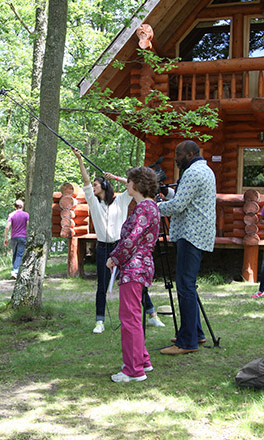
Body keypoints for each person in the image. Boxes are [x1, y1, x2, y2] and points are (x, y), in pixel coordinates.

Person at [72, 148, 165, 334]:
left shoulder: (121, 201)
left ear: (105, 186)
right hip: (103, 248)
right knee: (102, 285)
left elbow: (136, 187)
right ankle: (100, 321)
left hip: (122, 247)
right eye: (95, 185)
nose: (95, 186)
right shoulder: (94, 203)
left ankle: (152, 314)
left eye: (99, 184)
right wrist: (80, 160)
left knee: (134, 281)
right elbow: (86, 182)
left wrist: (115, 177)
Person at [157, 140, 216, 356]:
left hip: (191, 234)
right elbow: (186, 200)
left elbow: (178, 206)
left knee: (185, 286)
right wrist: (167, 194)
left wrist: (152, 207)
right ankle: (195, 333)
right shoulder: (205, 170)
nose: (175, 158)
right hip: (198, 233)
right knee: (188, 285)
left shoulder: (192, 173)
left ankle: (187, 341)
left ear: (190, 154)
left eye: (179, 154)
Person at [106, 166, 160, 382]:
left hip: (134, 267)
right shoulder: (148, 207)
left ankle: (133, 370)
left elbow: (131, 240)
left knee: (129, 319)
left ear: (137, 184)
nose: (126, 184)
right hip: (140, 266)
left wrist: (114, 258)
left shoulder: (144, 208)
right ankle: (142, 360)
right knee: (134, 317)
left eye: (128, 181)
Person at [3, 200, 29, 279]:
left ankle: (14, 271)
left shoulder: (11, 214)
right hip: (22, 237)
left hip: (13, 237)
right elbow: (29, 225)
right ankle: (15, 271)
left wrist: (6, 238)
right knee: (19, 255)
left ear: (15, 207)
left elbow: (7, 227)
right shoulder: (26, 215)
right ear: (22, 206)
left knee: (15, 254)